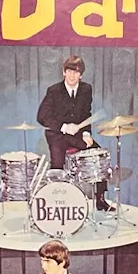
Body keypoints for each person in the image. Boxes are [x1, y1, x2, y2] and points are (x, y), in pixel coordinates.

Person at [36, 56, 108, 210]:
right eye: (69, 71)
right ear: (64, 72)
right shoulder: (53, 91)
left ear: (81, 75)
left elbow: (86, 114)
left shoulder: (86, 89)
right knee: (57, 165)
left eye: (76, 72)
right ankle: (56, 204)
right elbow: (42, 117)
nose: (72, 75)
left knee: (99, 156)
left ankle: (100, 199)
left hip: (77, 135)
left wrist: (86, 133)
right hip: (57, 135)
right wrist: (64, 127)